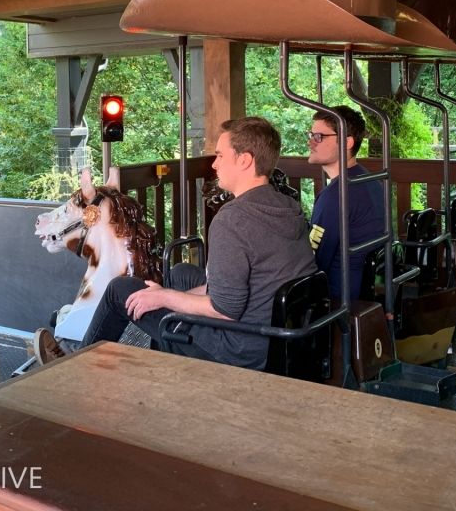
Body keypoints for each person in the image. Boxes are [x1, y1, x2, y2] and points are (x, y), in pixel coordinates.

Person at [35, 116, 316, 370]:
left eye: (220, 155)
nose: (214, 163)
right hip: (278, 336)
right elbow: (251, 280)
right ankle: (155, 351)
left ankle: (73, 368)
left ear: (244, 161)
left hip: (237, 348)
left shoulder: (233, 220)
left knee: (120, 289)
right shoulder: (285, 205)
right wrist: (166, 295)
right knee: (180, 274)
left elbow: (225, 310)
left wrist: (164, 298)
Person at [307, 106, 386, 300]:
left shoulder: (335, 196)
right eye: (311, 135)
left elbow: (312, 262)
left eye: (319, 136)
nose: (311, 142)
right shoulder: (369, 180)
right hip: (367, 295)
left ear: (347, 142)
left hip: (337, 304)